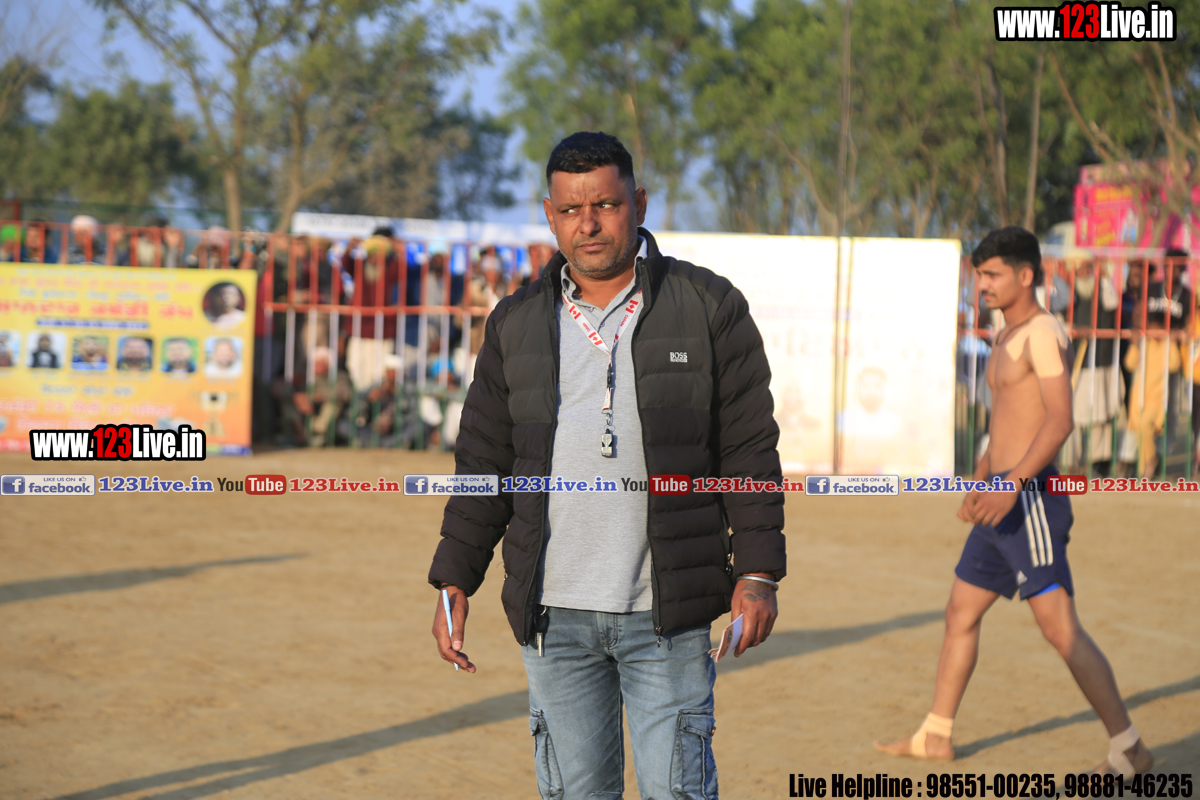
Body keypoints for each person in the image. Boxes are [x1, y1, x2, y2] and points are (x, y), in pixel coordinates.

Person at [427, 132, 786, 798]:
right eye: (570, 209)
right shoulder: (514, 323)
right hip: (552, 617)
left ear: (638, 203)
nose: (587, 223)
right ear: (549, 215)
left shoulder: (709, 307)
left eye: (605, 205)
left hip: (666, 614)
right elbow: (484, 463)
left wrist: (759, 573)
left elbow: (749, 452)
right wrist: (454, 578)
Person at [874, 227, 1153, 778]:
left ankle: (1130, 748)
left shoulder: (1042, 332)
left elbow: (1060, 419)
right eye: (979, 275)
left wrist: (1011, 484)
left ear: (1026, 275)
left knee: (1059, 629)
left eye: (993, 274)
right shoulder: (1005, 335)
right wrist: (982, 480)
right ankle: (936, 735)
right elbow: (1005, 423)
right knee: (961, 612)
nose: (983, 285)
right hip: (1000, 497)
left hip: (1031, 500)